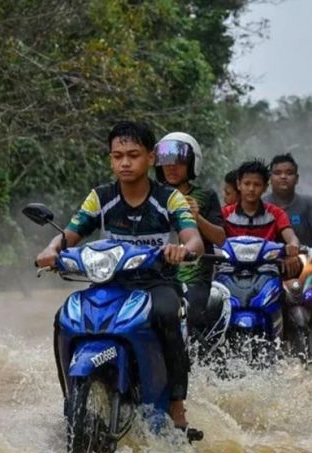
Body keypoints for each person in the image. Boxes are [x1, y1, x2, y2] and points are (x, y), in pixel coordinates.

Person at [35, 121, 204, 435]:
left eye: (133, 155)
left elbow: (193, 238)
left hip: (156, 284)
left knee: (168, 313)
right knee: (64, 317)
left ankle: (176, 405)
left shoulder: (169, 198)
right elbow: (71, 233)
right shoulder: (100, 198)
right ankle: (71, 399)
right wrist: (50, 251)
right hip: (110, 284)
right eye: (117, 156)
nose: (124, 163)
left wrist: (183, 250)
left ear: (151, 158)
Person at [264, 153, 312, 364]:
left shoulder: (309, 204)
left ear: (297, 178)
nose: (283, 177)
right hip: (269, 269)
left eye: (289, 173)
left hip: (303, 267)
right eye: (278, 173)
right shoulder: (262, 204)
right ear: (270, 178)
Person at [154, 132, 225, 339]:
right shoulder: (152, 195)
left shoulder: (206, 196)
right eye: (166, 161)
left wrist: (197, 217)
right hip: (156, 276)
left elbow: (220, 239)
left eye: (179, 162)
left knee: (192, 317)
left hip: (194, 278)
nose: (171, 167)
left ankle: (198, 366)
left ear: (193, 164)